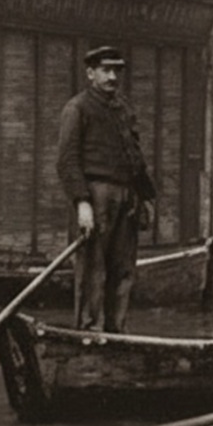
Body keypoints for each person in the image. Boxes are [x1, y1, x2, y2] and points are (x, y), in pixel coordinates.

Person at [56, 46, 156, 333]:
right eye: (105, 70)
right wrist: (82, 203)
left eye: (117, 71)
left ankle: (116, 332)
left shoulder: (123, 108)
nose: (112, 77)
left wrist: (146, 196)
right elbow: (67, 161)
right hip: (96, 196)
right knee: (93, 269)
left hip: (127, 197)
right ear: (91, 73)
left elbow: (134, 156)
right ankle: (89, 331)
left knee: (123, 269)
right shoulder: (77, 108)